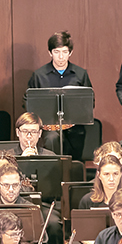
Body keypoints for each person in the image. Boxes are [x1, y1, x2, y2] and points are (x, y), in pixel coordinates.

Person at [29, 31, 92, 159]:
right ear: (50, 53)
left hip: (74, 128)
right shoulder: (39, 75)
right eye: (57, 52)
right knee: (52, 139)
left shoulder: (80, 74)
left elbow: (89, 102)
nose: (61, 57)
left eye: (64, 52)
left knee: (77, 143)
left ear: (70, 53)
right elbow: (29, 103)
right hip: (49, 128)